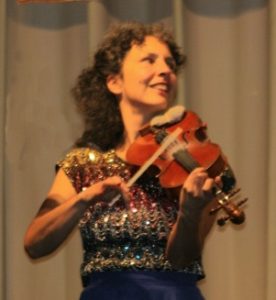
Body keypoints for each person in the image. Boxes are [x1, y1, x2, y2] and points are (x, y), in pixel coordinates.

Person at [24, 21, 220, 300]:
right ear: (114, 81)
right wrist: (84, 198)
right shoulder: (83, 163)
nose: (165, 70)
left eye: (169, 64)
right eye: (149, 60)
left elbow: (183, 259)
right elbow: (34, 243)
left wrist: (190, 213)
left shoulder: (194, 164)